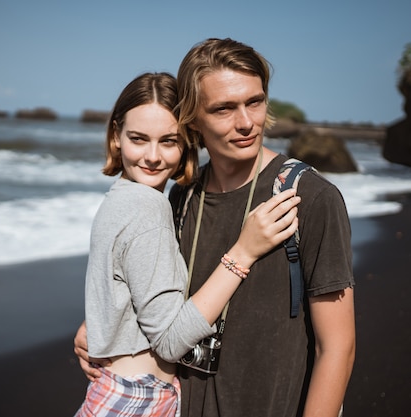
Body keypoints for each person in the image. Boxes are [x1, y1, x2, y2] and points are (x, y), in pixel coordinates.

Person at [75, 38, 356, 417]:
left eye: (254, 102)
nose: (245, 122)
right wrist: (104, 323)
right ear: (192, 120)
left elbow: (337, 347)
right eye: (223, 109)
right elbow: (149, 292)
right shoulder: (180, 198)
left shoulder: (308, 198)